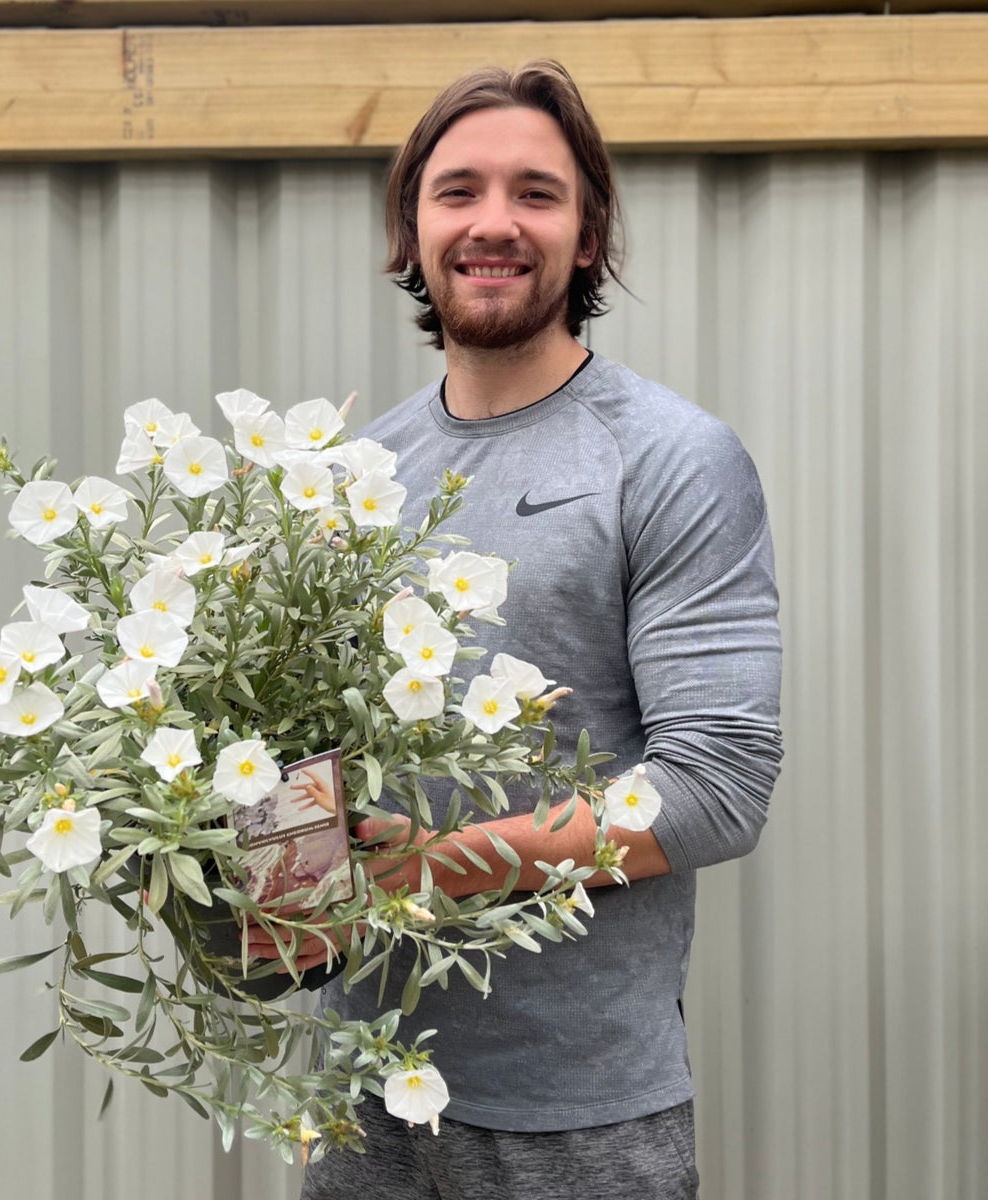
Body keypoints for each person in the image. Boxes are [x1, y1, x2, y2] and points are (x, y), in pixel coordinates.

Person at [288, 60, 782, 1199]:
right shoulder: (352, 478)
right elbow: (302, 747)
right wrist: (255, 889)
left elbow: (716, 790)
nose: (494, 223)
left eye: (537, 193)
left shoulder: (667, 459)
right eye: (458, 191)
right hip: (365, 1081)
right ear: (412, 229)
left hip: (581, 1119)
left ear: (590, 231)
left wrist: (425, 871)